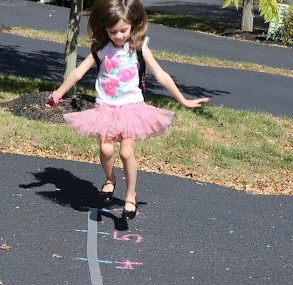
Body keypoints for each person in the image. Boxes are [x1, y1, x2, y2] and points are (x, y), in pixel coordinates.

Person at [45, 0, 209, 220]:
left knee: (126, 152)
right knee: (106, 151)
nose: (119, 36)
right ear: (104, 28)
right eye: (113, 31)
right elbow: (77, 73)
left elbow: (161, 75)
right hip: (105, 107)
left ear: (134, 25)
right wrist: (57, 95)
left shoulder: (138, 47)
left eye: (124, 30)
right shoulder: (101, 49)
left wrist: (183, 100)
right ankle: (110, 179)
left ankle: (130, 195)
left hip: (131, 108)